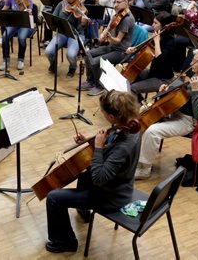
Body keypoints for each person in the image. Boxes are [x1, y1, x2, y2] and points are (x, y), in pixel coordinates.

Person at [45, 89, 141, 253]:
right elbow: (111, 145)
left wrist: (97, 147)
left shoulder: (125, 144)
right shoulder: (131, 126)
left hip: (111, 197)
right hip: (117, 184)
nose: (102, 114)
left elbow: (99, 177)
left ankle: (65, 241)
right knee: (83, 170)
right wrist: (89, 141)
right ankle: (84, 210)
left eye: (103, 112)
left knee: (54, 197)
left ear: (111, 117)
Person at [135, 48, 198, 179]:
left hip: (188, 121)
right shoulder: (197, 75)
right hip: (177, 111)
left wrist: (196, 90)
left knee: (152, 131)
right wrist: (167, 90)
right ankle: (138, 157)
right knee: (143, 118)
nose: (191, 62)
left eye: (195, 60)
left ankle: (144, 169)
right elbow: (183, 93)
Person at [80, 0, 135, 96]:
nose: (116, 4)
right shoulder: (118, 14)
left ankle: (100, 86)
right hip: (112, 47)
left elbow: (118, 40)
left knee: (95, 62)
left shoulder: (127, 19)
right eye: (115, 2)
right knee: (88, 55)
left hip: (121, 51)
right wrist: (103, 34)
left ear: (126, 2)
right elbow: (110, 27)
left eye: (118, 2)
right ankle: (91, 81)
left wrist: (109, 37)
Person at [126, 11, 177, 102]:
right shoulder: (159, 35)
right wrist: (134, 48)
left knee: (133, 88)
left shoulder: (171, 42)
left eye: (155, 23)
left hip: (163, 79)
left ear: (164, 25)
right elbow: (147, 46)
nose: (152, 25)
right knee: (131, 77)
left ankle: (134, 111)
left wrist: (157, 41)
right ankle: (139, 101)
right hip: (153, 72)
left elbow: (160, 58)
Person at [45, 0, 88, 78]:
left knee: (71, 54)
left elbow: (80, 29)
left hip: (76, 34)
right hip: (62, 33)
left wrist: (83, 23)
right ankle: (53, 64)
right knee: (48, 51)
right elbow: (54, 17)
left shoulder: (81, 8)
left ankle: (73, 67)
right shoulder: (61, 4)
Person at [0, 0, 35, 71]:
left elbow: (30, 10)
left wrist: (29, 11)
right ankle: (5, 60)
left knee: (22, 37)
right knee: (4, 36)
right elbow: (5, 9)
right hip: (14, 23)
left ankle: (21, 59)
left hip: (25, 24)